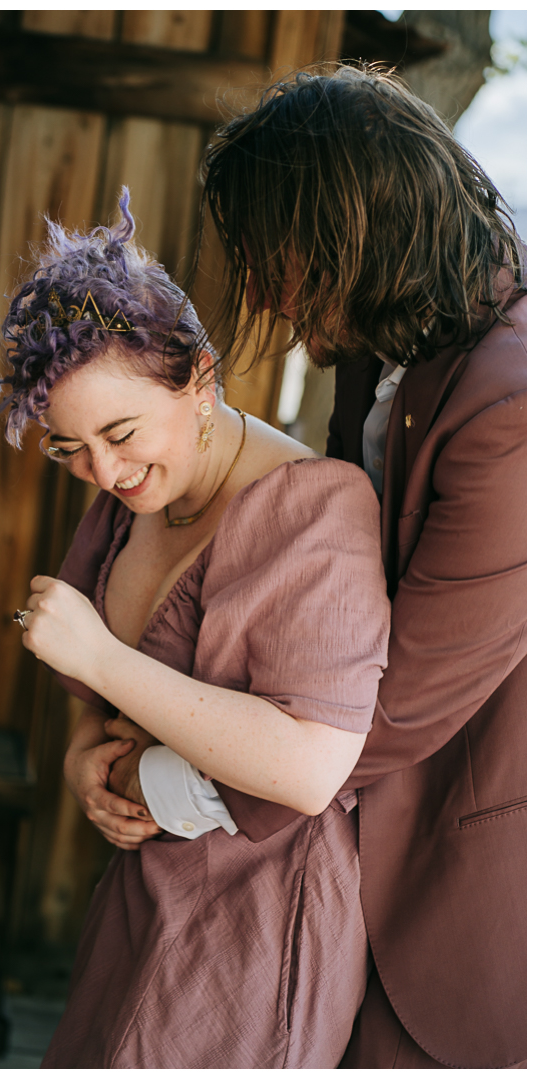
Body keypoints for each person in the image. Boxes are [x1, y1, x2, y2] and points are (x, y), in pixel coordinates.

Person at [0, 190, 391, 1068]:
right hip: (139, 897)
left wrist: (98, 653)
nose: (104, 469)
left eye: (121, 431)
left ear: (201, 380)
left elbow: (308, 765)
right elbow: (94, 698)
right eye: (70, 451)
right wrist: (81, 759)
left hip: (256, 921)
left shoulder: (317, 508)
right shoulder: (130, 497)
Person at [194, 65, 526, 1069]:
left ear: (348, 232)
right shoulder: (382, 360)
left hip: (451, 885)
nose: (256, 290)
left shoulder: (513, 411)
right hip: (334, 854)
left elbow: (399, 704)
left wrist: (179, 783)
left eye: (270, 255)